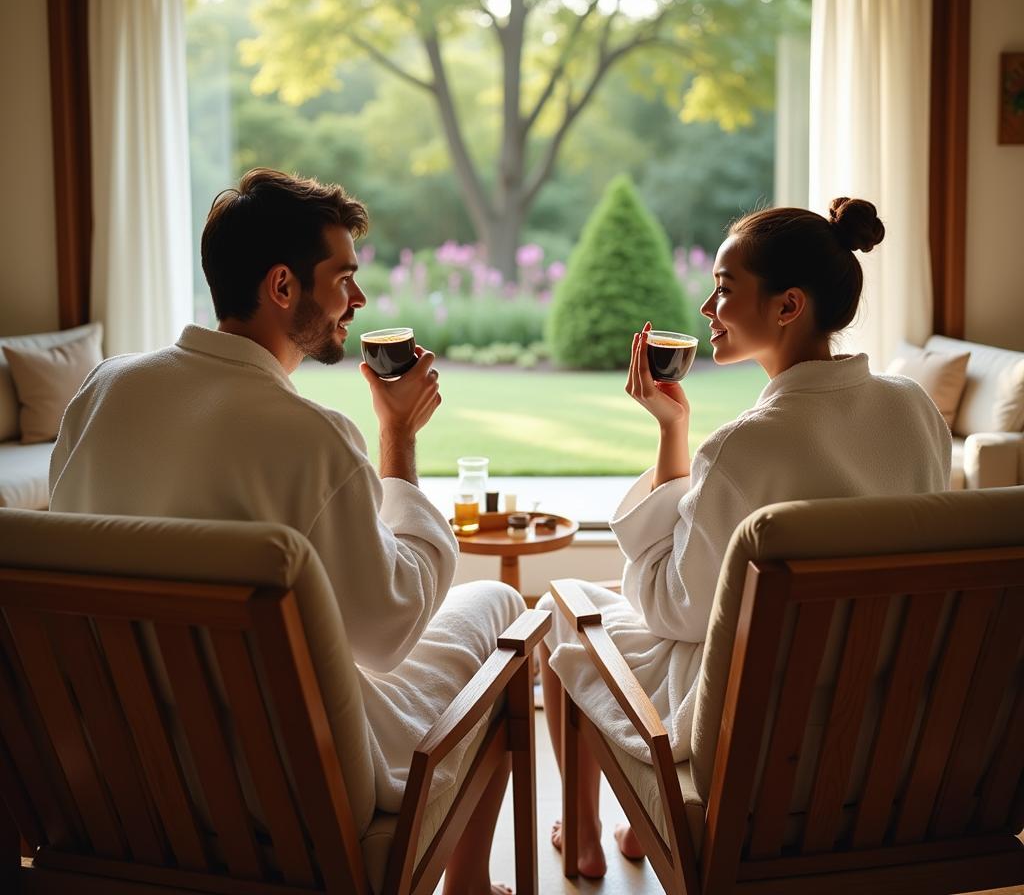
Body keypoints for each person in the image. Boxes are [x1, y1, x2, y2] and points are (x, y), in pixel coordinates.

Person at [50, 168, 522, 895]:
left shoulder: (103, 392)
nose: (357, 301)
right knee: (501, 608)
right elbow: (388, 635)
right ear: (281, 288)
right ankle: (470, 887)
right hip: (272, 787)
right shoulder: (313, 440)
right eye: (343, 278)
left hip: (116, 776)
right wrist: (398, 438)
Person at [537, 197, 952, 878]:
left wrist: (669, 449)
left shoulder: (746, 447)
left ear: (788, 306)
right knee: (631, 600)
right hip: (884, 719)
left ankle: (585, 834)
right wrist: (676, 432)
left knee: (567, 604)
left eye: (725, 290)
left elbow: (676, 611)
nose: (706, 309)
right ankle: (635, 828)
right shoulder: (912, 408)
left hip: (764, 732)